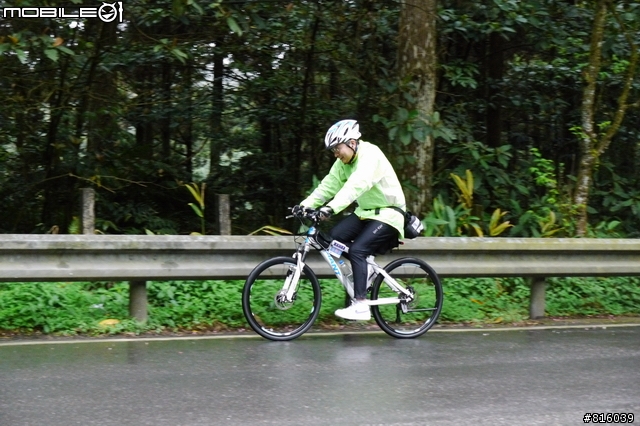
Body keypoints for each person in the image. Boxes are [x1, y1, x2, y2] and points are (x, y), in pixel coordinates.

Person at [295, 119, 406, 321]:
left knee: (357, 251)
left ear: (352, 143)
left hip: (388, 213)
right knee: (333, 239)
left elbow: (356, 185)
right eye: (333, 150)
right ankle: (366, 270)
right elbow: (327, 186)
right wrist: (304, 206)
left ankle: (361, 305)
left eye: (337, 148)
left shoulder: (371, 155)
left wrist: (331, 208)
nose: (335, 154)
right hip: (365, 213)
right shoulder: (342, 164)